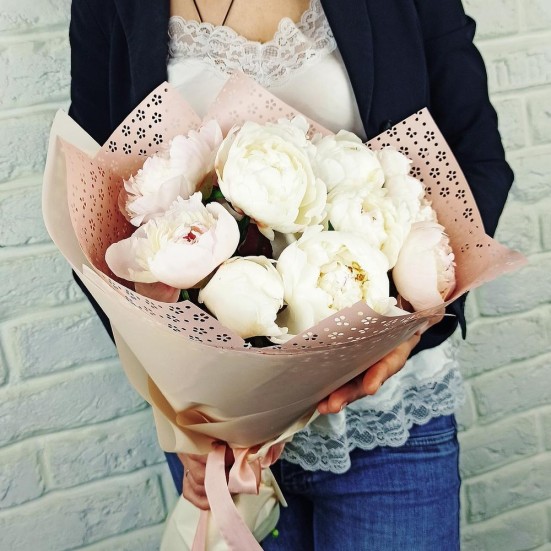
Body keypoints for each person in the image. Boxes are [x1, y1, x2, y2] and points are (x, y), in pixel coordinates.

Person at [68, 0, 513, 548]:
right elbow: (94, 205)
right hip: (225, 446)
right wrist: (177, 409)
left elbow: (477, 158)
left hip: (388, 419)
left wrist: (415, 323)